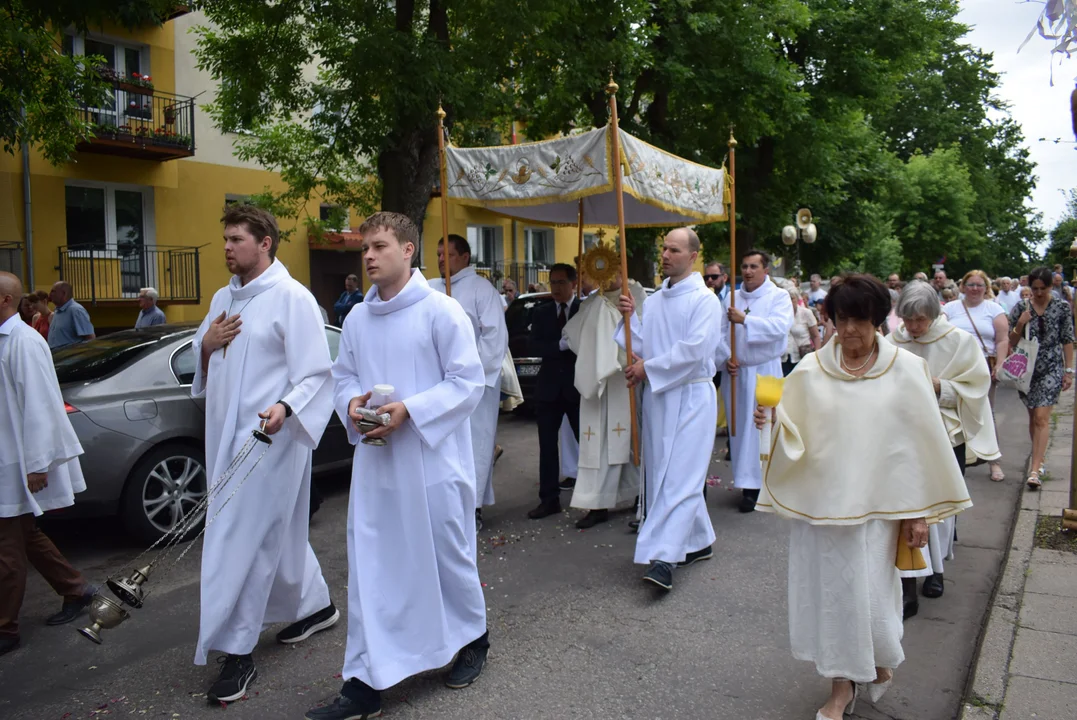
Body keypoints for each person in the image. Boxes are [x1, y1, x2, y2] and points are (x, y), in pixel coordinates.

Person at [754, 274, 971, 720]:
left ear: (876, 320)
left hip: (881, 510)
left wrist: (919, 515)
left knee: (871, 598)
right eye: (840, 319)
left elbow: (919, 446)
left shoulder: (908, 371)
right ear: (829, 320)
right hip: (823, 509)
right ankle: (840, 687)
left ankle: (877, 661)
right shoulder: (811, 370)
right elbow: (791, 433)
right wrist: (771, 416)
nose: (849, 329)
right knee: (833, 599)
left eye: (859, 320)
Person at [310, 212, 489, 720]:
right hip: (377, 466)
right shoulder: (358, 319)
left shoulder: (442, 312)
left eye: (380, 246)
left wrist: (409, 409)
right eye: (365, 247)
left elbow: (467, 383)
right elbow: (342, 376)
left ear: (408, 251)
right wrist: (350, 404)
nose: (368, 255)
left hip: (431, 463)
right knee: (374, 567)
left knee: (445, 559)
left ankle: (473, 639)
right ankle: (364, 684)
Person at [191, 205, 338, 703]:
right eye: (226, 239)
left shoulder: (292, 298)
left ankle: (238, 653)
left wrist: (285, 406)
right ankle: (315, 605)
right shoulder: (221, 298)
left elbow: (317, 373)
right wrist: (206, 346)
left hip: (268, 439)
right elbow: (207, 364)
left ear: (265, 243)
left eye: (236, 239)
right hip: (224, 437)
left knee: (241, 539)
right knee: (271, 532)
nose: (228, 247)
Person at [615, 227, 727, 591]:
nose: (665, 255)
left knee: (682, 476)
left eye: (674, 250)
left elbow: (695, 350)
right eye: (664, 248)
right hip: (660, 397)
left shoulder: (705, 301)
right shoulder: (657, 300)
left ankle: (664, 558)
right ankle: (698, 541)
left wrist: (648, 369)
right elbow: (646, 344)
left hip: (692, 396)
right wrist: (631, 318)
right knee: (663, 472)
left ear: (693, 256)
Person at [0, 272, 97, 658]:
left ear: (5, 300)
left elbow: (40, 404)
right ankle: (77, 588)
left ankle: (5, 627)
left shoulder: (23, 342)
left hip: (15, 461)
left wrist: (38, 464)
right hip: (6, 456)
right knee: (24, 534)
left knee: (7, 548)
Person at [890, 281, 997, 615]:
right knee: (905, 505)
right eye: (908, 321)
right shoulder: (893, 342)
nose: (914, 328)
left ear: (934, 315)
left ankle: (936, 571)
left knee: (939, 506)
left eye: (920, 320)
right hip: (902, 433)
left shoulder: (958, 341)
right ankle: (908, 576)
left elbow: (977, 386)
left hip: (945, 433)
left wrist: (939, 386)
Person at [430, 234, 509, 531]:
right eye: (438, 254)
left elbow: (494, 337)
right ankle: (445, 503)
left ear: (464, 257)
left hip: (474, 382)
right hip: (437, 382)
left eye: (447, 254)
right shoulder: (430, 289)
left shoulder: (481, 289)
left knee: (475, 444)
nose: (440, 259)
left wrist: (470, 373)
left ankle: (472, 507)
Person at [564, 272, 645, 529]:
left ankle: (639, 492)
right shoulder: (591, 302)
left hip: (625, 379)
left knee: (631, 439)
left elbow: (644, 334)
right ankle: (598, 502)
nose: (608, 279)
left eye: (613, 272)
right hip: (596, 378)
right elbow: (573, 335)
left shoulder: (637, 297)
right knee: (596, 445)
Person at [722, 249, 793, 512]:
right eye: (744, 266)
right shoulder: (731, 297)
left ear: (766, 270)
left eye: (754, 266)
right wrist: (725, 357)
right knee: (740, 431)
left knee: (764, 427)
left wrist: (746, 320)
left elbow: (779, 327)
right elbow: (720, 333)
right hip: (738, 373)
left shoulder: (779, 296)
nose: (748, 271)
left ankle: (767, 484)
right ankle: (747, 485)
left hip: (766, 370)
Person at [1009, 266, 1076, 489]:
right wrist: (1021, 322)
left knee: (1041, 418)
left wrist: (1068, 371)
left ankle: (1035, 469)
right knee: (1033, 418)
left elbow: (1067, 339)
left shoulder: (1061, 307)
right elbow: (1011, 340)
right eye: (1034, 288)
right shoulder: (1021, 306)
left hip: (1051, 367)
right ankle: (1040, 458)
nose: (1038, 293)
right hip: (1027, 369)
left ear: (1050, 286)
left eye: (1042, 288)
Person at [942, 270, 1008, 482]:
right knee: (951, 413)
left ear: (986, 287)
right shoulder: (951, 308)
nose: (975, 289)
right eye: (970, 284)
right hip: (953, 368)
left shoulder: (994, 309)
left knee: (986, 411)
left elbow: (1002, 340)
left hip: (982, 368)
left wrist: (1000, 363)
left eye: (979, 285)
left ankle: (994, 461)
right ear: (963, 287)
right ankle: (954, 460)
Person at [527, 263, 581, 519]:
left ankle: (596, 499)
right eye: (553, 282)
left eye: (561, 282)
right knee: (547, 447)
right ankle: (549, 499)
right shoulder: (542, 312)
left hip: (577, 387)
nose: (557, 288)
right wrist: (557, 346)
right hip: (548, 389)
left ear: (573, 284)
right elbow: (534, 344)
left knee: (587, 442)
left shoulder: (584, 310)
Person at [782, 285, 821, 376]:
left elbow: (816, 336)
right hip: (784, 359)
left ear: (797, 299)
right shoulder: (780, 315)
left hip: (803, 358)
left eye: (792, 298)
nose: (789, 302)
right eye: (786, 299)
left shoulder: (806, 313)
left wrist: (817, 356)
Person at [46, 282, 94, 349]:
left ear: (64, 294)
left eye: (53, 291)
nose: (50, 294)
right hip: (57, 357)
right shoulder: (57, 310)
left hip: (70, 357)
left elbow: (90, 338)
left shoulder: (76, 310)